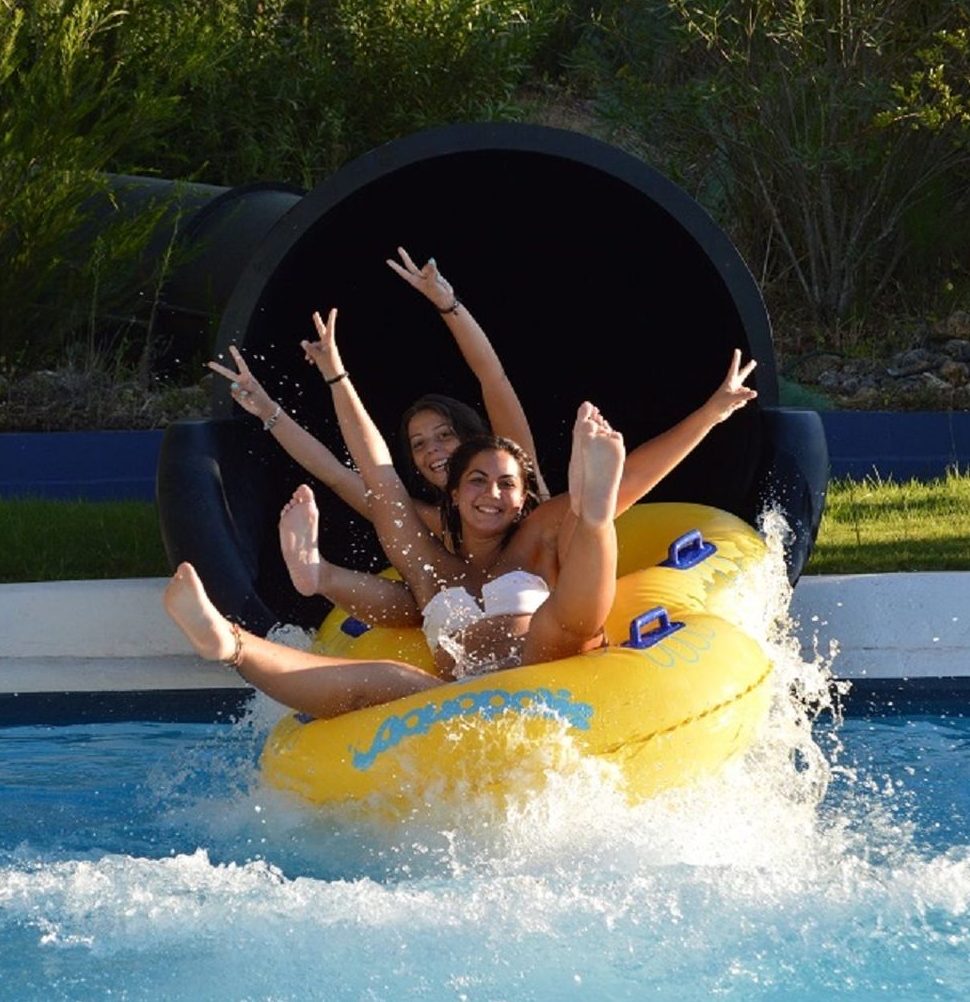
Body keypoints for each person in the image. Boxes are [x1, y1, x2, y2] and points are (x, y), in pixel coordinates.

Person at [165, 307, 759, 717]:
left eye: (506, 485)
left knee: (562, 614)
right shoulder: (429, 559)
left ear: (522, 494)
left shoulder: (538, 529)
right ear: (452, 494)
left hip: (550, 664)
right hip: (461, 694)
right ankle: (228, 642)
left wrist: (711, 411)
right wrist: (334, 377)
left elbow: (630, 472)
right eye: (477, 481)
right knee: (383, 681)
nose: (493, 493)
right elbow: (376, 474)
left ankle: (598, 512)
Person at [210, 248, 545, 626]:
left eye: (445, 435)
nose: (432, 449)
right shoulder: (426, 518)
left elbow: (493, 378)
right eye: (418, 445)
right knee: (418, 589)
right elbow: (338, 473)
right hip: (452, 618)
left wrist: (448, 304)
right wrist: (270, 410)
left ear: (475, 439)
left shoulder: (519, 479)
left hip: (539, 610)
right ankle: (318, 573)